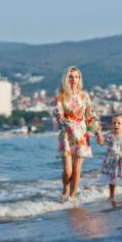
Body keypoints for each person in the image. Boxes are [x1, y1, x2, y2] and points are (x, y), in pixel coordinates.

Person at [52, 66, 103, 203]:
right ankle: (65, 189)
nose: (73, 79)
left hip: (81, 134)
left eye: (76, 76)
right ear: (66, 78)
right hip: (66, 134)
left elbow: (90, 115)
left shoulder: (84, 96)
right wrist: (59, 116)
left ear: (80, 79)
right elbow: (58, 111)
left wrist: (98, 133)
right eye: (70, 76)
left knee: (76, 169)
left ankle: (72, 197)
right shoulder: (61, 96)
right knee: (68, 171)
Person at [99, 113, 122, 205]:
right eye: (114, 123)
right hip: (110, 160)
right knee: (111, 179)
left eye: (119, 123)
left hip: (121, 160)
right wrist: (99, 136)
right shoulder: (109, 135)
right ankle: (111, 195)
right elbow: (102, 143)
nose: (116, 125)